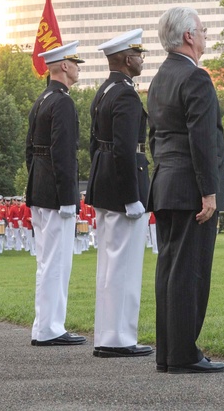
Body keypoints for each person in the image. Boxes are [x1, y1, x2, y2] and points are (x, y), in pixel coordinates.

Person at [147, 7, 224, 374]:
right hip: (190, 189)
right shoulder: (195, 78)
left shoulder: (161, 77)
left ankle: (169, 353)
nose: (206, 34)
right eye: (203, 29)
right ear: (189, 36)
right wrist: (209, 192)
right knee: (190, 273)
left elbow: (155, 138)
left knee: (170, 271)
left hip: (166, 184)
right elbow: (202, 139)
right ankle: (183, 354)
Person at [87, 29, 154, 359]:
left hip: (105, 185)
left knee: (109, 265)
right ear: (128, 59)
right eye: (139, 55)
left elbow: (95, 147)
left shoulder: (104, 91)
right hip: (122, 188)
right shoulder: (126, 94)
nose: (142, 60)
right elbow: (126, 150)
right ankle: (119, 338)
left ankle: (107, 334)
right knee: (124, 267)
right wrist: (132, 195)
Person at [24, 40, 87, 347]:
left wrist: (39, 183)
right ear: (64, 65)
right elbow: (63, 155)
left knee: (47, 260)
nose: (77, 67)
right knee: (56, 262)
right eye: (75, 62)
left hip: (40, 188)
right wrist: (67, 197)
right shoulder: (62, 102)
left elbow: (29, 152)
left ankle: (44, 326)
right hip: (54, 193)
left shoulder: (42, 100)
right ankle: (50, 328)